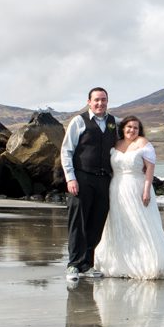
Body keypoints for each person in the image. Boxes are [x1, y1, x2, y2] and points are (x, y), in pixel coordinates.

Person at [92, 115, 164, 279]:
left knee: (140, 224)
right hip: (116, 188)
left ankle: (148, 264)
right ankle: (120, 264)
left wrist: (146, 190)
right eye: (129, 127)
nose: (132, 130)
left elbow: (150, 168)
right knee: (120, 223)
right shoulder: (116, 144)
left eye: (136, 128)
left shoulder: (143, 144)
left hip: (137, 188)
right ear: (123, 128)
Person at [61, 87, 117, 279]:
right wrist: (70, 178)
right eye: (96, 100)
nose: (100, 103)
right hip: (82, 177)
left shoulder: (113, 122)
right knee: (78, 222)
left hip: (104, 180)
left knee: (97, 222)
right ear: (89, 102)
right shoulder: (79, 121)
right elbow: (66, 151)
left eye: (104, 100)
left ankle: (88, 264)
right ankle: (73, 265)